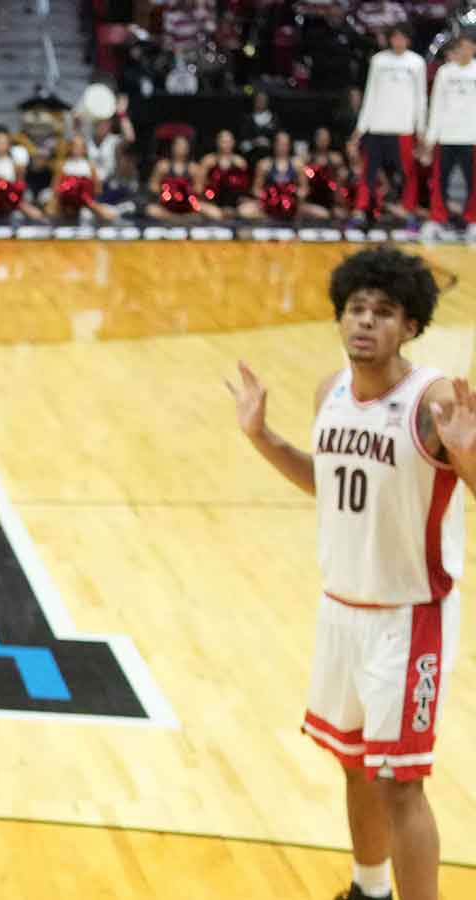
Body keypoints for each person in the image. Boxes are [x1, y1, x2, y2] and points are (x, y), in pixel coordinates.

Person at [227, 246, 471, 900]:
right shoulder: (329, 391)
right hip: (342, 608)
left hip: (409, 617)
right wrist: (263, 439)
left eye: (384, 311)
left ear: (411, 326)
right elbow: (334, 486)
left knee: (401, 781)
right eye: (356, 308)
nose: (365, 321)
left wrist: (469, 454)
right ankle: (369, 891)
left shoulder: (435, 399)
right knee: (356, 766)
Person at [352, 25, 427, 223]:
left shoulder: (417, 62)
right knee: (369, 170)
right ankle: (362, 208)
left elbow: (421, 99)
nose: (398, 42)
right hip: (377, 125)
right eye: (395, 37)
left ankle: (408, 209)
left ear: (408, 40)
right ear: (389, 39)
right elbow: (370, 95)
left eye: (402, 38)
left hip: (403, 127)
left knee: (408, 172)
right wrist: (360, 128)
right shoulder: (378, 61)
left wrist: (421, 129)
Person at [423, 31, 476, 232]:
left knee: (473, 182)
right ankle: (438, 218)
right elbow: (436, 105)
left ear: (473, 48)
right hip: (446, 136)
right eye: (459, 47)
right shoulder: (445, 72)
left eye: (467, 47)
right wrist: (430, 137)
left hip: (471, 136)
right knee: (440, 180)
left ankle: (472, 219)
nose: (463, 51)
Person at [239, 130, 327, 221]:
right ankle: (271, 220)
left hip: (293, 205)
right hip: (269, 205)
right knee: (243, 211)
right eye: (279, 144)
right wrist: (268, 198)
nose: (282, 147)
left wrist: (298, 194)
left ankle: (291, 220)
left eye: (285, 144)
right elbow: (256, 189)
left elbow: (305, 188)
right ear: (274, 145)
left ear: (289, 145)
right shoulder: (264, 164)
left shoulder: (298, 164)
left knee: (322, 214)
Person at [147, 134, 222, 221]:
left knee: (215, 213)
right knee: (151, 210)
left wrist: (188, 192)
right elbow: (153, 184)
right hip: (168, 205)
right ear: (173, 147)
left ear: (188, 149)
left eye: (184, 147)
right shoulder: (163, 165)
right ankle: (176, 219)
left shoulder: (193, 168)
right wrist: (165, 192)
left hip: (188, 204)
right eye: (179, 146)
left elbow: (199, 188)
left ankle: (184, 218)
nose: (181, 149)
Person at [200, 128, 250, 213]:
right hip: (212, 202)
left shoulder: (240, 163)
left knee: (248, 211)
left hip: (235, 204)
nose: (226, 145)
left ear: (233, 142)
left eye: (229, 142)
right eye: (223, 142)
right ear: (217, 142)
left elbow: (245, 189)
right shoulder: (208, 161)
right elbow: (199, 186)